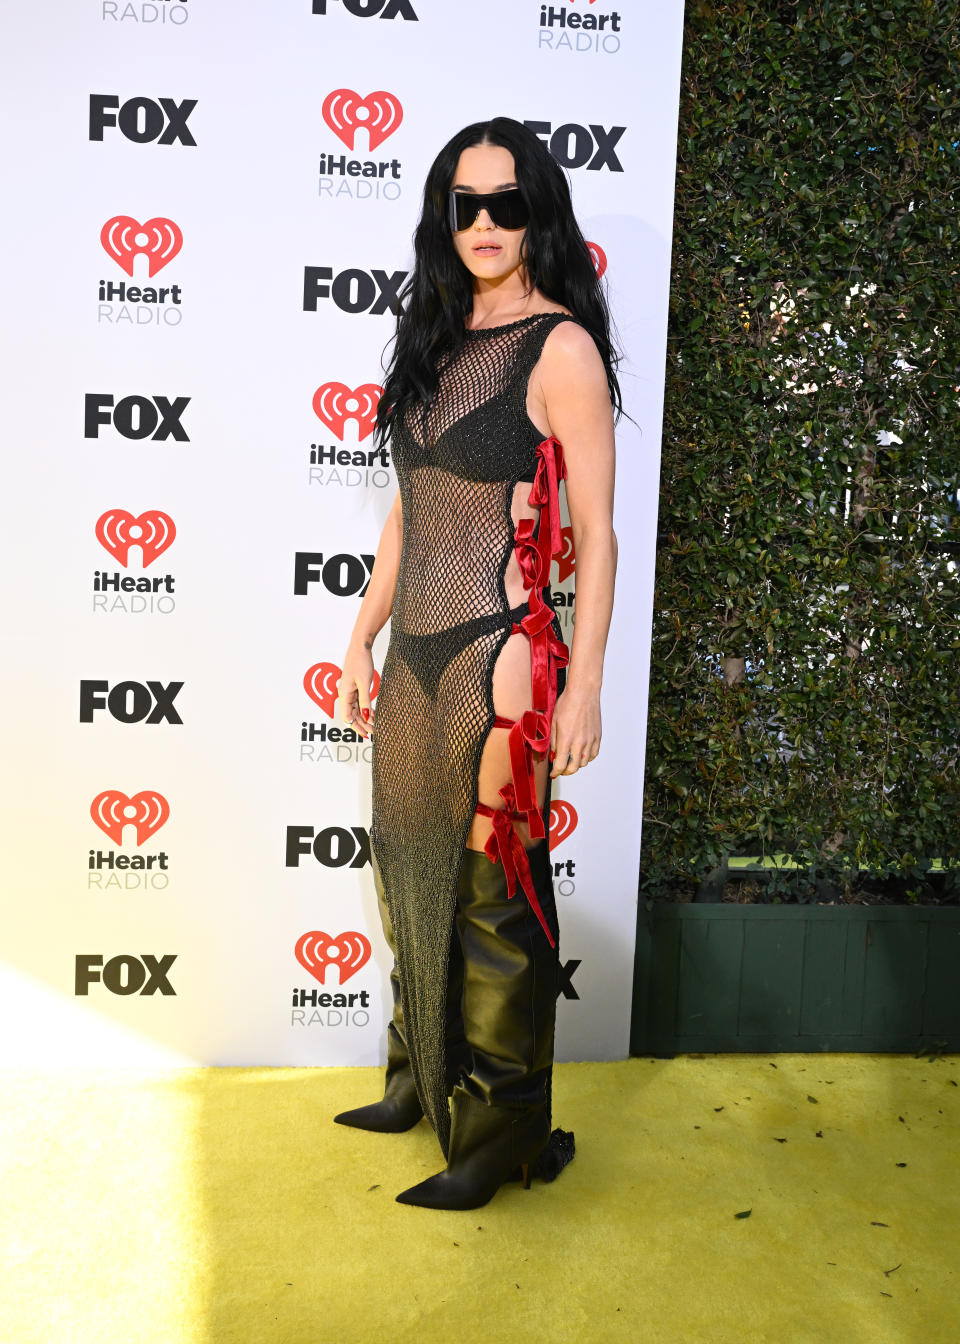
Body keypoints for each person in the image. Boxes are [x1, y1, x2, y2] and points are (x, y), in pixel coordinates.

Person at [334, 116, 620, 1210]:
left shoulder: (561, 349)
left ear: (538, 211)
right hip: (413, 650)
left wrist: (583, 687)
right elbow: (412, 518)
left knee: (495, 898)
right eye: (467, 204)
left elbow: (594, 536)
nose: (487, 223)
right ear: (443, 214)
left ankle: (497, 1140)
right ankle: (418, 1079)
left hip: (501, 652)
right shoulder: (437, 337)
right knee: (407, 857)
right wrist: (360, 637)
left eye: (508, 203)